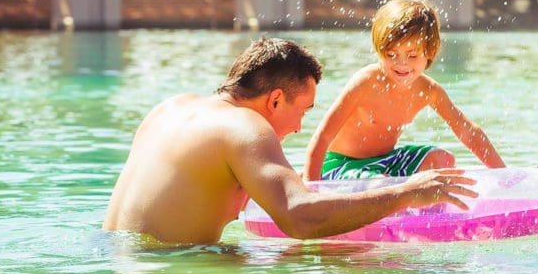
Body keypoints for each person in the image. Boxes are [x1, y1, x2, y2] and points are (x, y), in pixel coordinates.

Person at [102, 38, 477, 244]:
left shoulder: (170, 108)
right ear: (275, 99)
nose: (299, 127)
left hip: (120, 265)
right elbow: (300, 219)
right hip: (170, 273)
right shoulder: (245, 127)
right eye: (303, 110)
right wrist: (406, 192)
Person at [304, 0, 506, 181]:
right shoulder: (365, 82)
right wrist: (311, 190)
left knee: (443, 161)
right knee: (379, 184)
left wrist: (502, 174)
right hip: (341, 165)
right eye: (391, 54)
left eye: (412, 55)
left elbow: (467, 131)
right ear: (379, 49)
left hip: (388, 161)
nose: (401, 64)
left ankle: (433, 217)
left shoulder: (429, 90)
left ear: (430, 52)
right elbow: (322, 137)